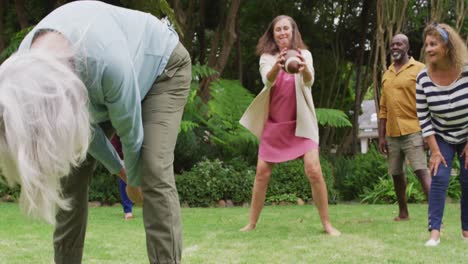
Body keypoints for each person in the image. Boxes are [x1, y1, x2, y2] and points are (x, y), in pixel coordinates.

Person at [0, 1, 191, 263]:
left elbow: (130, 133)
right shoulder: (24, 70)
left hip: (163, 68)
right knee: (71, 176)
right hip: (94, 87)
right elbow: (87, 133)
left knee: (152, 169)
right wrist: (120, 170)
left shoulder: (107, 61)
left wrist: (134, 181)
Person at [239, 15, 340, 236]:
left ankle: (327, 224)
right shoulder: (267, 57)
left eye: (286, 28)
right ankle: (252, 223)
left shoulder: (306, 55)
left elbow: (309, 81)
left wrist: (304, 69)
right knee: (262, 173)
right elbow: (267, 80)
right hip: (275, 124)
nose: (283, 33)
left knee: (313, 170)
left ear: (293, 31)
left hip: (301, 124)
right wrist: (277, 65)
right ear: (273, 34)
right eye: (278, 30)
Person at [416, 22, 468, 246]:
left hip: (466, 133)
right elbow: (424, 118)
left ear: (447, 46)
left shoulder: (466, 71)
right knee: (439, 178)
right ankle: (434, 233)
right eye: (426, 44)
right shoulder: (423, 79)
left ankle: (466, 231)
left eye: (433, 44)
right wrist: (435, 151)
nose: (428, 49)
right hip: (441, 135)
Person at [378, 33, 431, 221]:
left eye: (399, 44)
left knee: (421, 171)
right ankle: (403, 212)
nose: (395, 47)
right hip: (392, 133)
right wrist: (381, 136)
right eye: (392, 44)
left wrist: (428, 134)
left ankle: (435, 215)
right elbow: (383, 108)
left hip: (414, 129)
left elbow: (429, 101)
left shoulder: (420, 69)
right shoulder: (387, 74)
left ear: (408, 48)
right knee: (396, 174)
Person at [110, 135, 133, 220]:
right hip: (122, 159)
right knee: (124, 181)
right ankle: (128, 211)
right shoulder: (116, 131)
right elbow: (114, 147)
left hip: (137, 156)